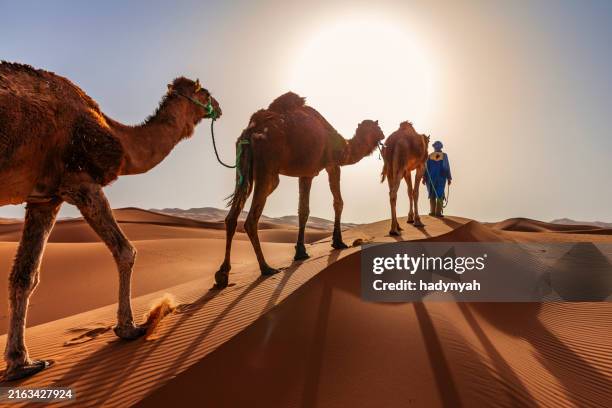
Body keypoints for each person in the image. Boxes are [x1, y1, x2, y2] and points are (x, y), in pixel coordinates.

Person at [423, 140, 452, 217]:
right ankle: (435, 213)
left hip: (438, 178)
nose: (437, 147)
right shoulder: (432, 156)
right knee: (436, 195)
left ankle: (435, 212)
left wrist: (449, 178)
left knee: (436, 194)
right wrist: (449, 178)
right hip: (436, 178)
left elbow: (446, 167)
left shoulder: (435, 156)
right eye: (436, 146)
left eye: (437, 146)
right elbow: (426, 168)